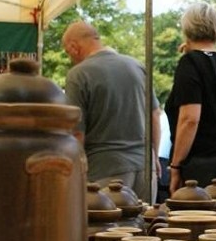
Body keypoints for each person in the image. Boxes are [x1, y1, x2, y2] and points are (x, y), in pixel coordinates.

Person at [62, 21, 160, 204]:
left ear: (74, 47)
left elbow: (76, 133)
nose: (70, 57)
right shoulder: (137, 66)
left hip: (104, 171)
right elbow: (154, 116)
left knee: (106, 230)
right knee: (143, 228)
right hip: (145, 169)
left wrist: (74, 172)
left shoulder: (78, 74)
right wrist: (153, 157)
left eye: (68, 52)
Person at [165, 2, 216, 196]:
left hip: (200, 164)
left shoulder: (190, 63)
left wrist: (176, 166)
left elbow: (190, 119)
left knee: (196, 223)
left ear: (187, 30)